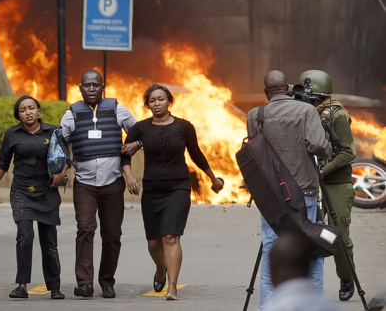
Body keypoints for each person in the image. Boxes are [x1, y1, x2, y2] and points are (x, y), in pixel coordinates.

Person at [121, 83, 224, 300]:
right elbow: (124, 154)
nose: (157, 103)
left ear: (169, 102)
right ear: (147, 105)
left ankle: (172, 288)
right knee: (153, 242)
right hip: (151, 189)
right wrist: (129, 176)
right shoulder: (140, 128)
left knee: (170, 236)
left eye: (161, 99)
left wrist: (213, 178)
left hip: (178, 187)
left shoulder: (184, 127)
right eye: (152, 100)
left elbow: (196, 154)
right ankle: (161, 269)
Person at [246, 70, 332, 309]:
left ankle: (269, 305)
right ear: (288, 87)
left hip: (270, 196)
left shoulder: (255, 115)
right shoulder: (306, 111)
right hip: (302, 192)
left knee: (272, 249)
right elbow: (317, 145)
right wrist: (328, 148)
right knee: (311, 248)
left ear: (266, 91)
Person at [55, 69, 137, 299]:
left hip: (113, 183)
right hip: (84, 184)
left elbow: (141, 132)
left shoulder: (118, 110)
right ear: (80, 88)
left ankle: (107, 282)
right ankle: (84, 283)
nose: (91, 89)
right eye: (87, 85)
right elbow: (61, 147)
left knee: (112, 235)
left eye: (96, 85)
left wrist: (137, 143)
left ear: (104, 87)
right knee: (85, 229)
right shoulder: (70, 115)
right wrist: (60, 169)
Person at [0, 96, 65, 300]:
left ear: (39, 110)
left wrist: (62, 174)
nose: (28, 112)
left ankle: (54, 287)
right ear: (18, 115)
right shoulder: (12, 134)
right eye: (23, 109)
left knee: (49, 242)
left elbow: (65, 158)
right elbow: (2, 162)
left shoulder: (52, 132)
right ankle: (22, 285)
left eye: (31, 108)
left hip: (47, 191)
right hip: (21, 191)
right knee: (25, 237)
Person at [298, 69, 357, 301]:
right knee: (304, 235)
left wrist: (324, 170)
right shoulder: (303, 113)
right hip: (307, 180)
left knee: (338, 235)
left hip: (336, 182)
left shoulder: (336, 115)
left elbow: (348, 151)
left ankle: (346, 277)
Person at [261, 230, 349, 311]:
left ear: (272, 273)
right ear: (308, 267)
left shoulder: (273, 308)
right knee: (310, 236)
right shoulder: (333, 307)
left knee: (270, 241)